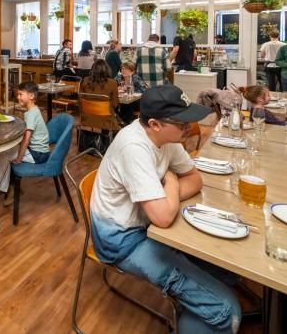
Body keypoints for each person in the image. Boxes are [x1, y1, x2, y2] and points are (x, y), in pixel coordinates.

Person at [90, 84, 241, 333]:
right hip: (121, 240)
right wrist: (170, 183)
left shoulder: (167, 137)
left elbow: (195, 179)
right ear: (155, 124)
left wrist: (167, 193)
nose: (187, 127)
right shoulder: (134, 147)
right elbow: (162, 217)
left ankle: (186, 306)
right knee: (229, 311)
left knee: (228, 270)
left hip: (148, 226)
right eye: (181, 122)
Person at [0, 81, 50, 200]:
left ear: (31, 96)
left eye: (20, 94)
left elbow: (26, 139)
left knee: (4, 156)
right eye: (17, 94)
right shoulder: (34, 110)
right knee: (3, 152)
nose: (17, 97)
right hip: (39, 151)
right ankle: (8, 184)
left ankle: (1, 186)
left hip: (38, 154)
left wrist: (19, 158)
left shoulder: (31, 114)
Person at [81, 59, 120, 128]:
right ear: (107, 69)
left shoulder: (85, 80)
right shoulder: (112, 83)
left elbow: (80, 100)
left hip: (87, 118)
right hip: (106, 120)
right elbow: (115, 104)